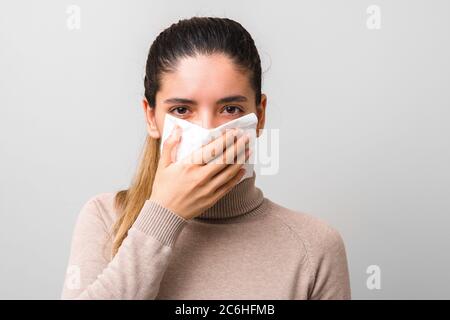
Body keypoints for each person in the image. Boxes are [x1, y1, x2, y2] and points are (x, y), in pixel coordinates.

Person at [61, 16, 351, 300]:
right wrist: (162, 216)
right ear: (151, 117)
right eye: (182, 110)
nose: (208, 131)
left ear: (259, 115)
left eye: (230, 109)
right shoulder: (106, 218)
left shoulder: (314, 246)